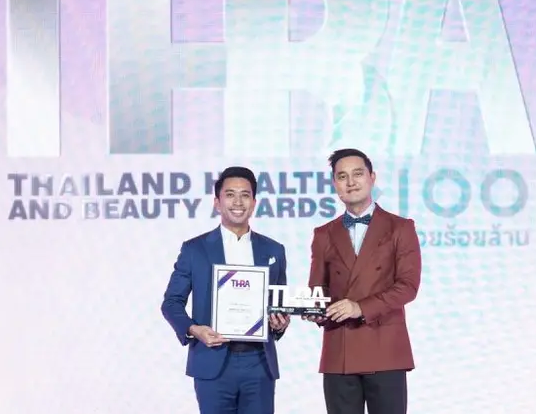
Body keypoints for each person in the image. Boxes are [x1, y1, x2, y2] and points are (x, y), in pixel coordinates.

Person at [161, 166, 291, 414]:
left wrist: (280, 323)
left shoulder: (274, 250)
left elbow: (278, 304)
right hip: (212, 358)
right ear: (217, 203)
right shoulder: (195, 249)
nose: (238, 202)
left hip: (259, 362)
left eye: (245, 195)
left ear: (254, 203)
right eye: (230, 194)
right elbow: (172, 302)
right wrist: (194, 329)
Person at [304, 148, 422, 414]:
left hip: (385, 348)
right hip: (340, 350)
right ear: (334, 184)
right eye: (342, 176)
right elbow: (317, 289)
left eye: (357, 174)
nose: (351, 182)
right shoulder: (323, 233)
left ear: (372, 177)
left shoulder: (400, 227)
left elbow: (408, 286)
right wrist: (315, 310)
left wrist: (360, 307)